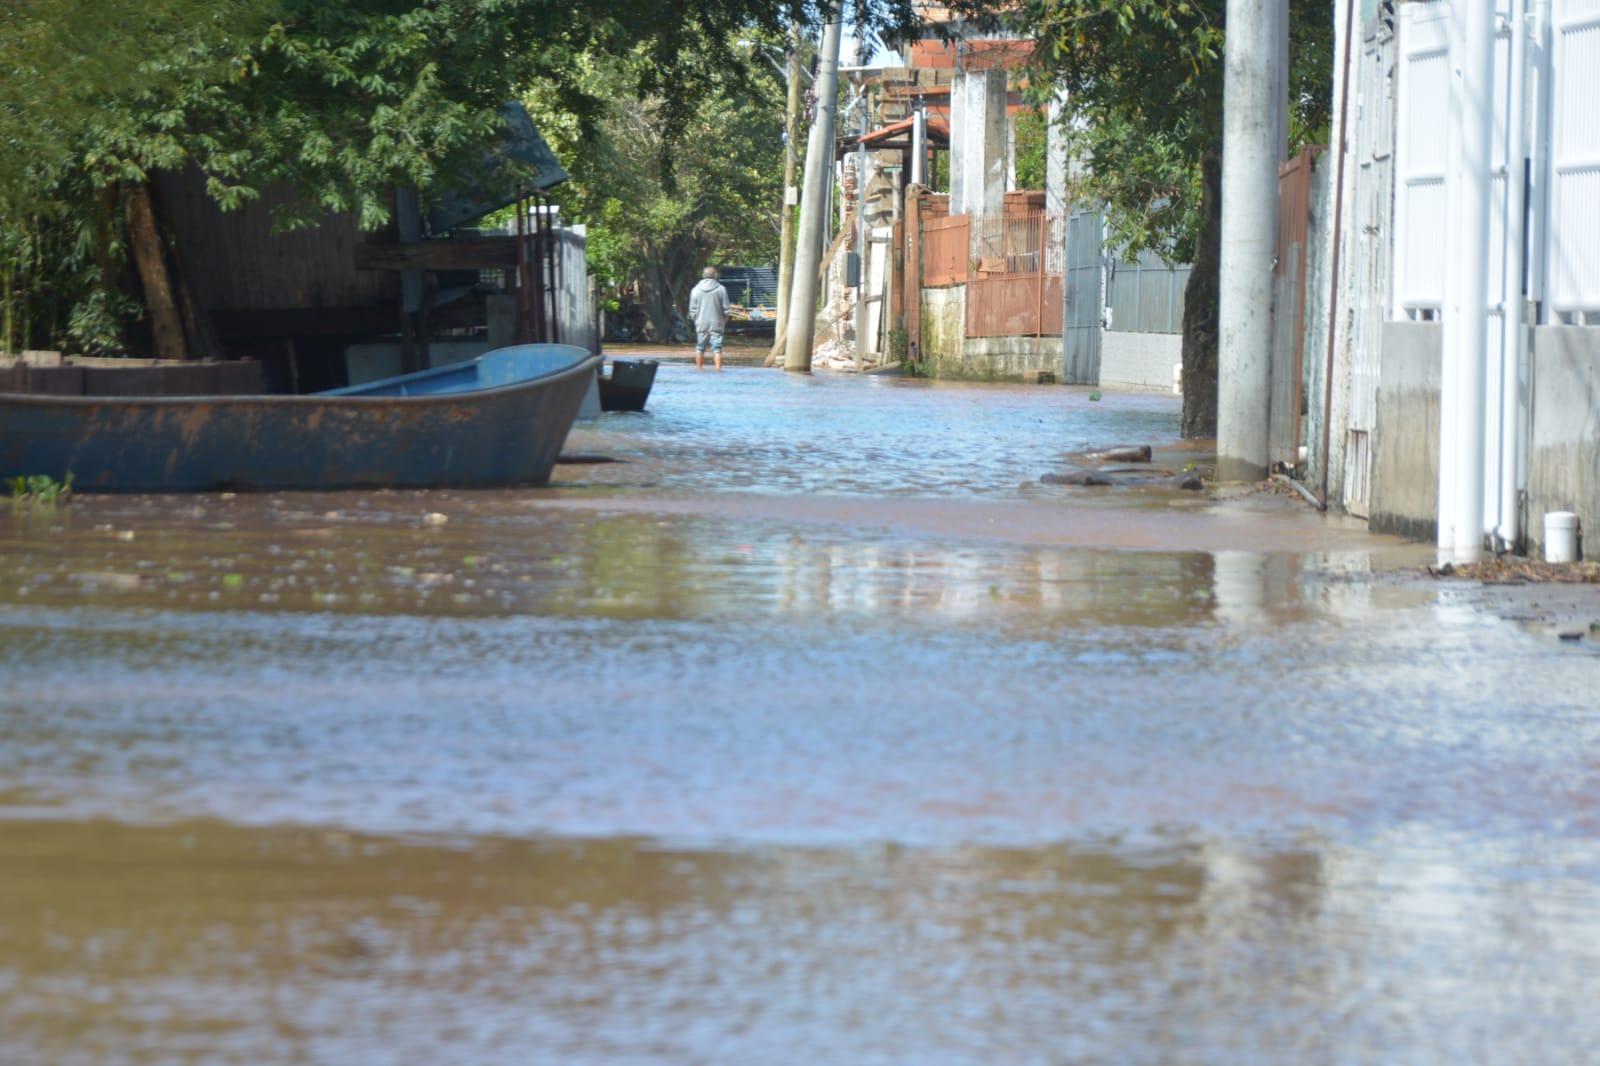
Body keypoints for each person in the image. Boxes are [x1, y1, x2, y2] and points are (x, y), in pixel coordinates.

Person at [687, 266, 730, 370]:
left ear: (703, 275)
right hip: (717, 323)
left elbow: (692, 310)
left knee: (700, 348)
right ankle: (718, 370)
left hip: (701, 323)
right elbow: (726, 309)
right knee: (717, 349)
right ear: (715, 275)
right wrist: (724, 321)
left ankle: (699, 369)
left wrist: (696, 321)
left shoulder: (695, 290)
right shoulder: (721, 289)